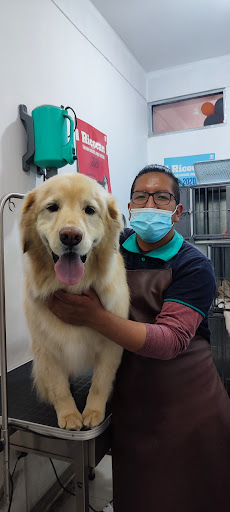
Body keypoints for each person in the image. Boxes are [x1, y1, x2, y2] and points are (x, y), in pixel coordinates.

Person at [47, 165, 230, 512]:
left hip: (186, 402)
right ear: (129, 207)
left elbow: (170, 340)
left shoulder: (193, 266)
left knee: (191, 495)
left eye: (162, 197)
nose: (151, 203)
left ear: (177, 211)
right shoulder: (111, 245)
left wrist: (95, 318)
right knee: (137, 491)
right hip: (131, 396)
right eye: (141, 196)